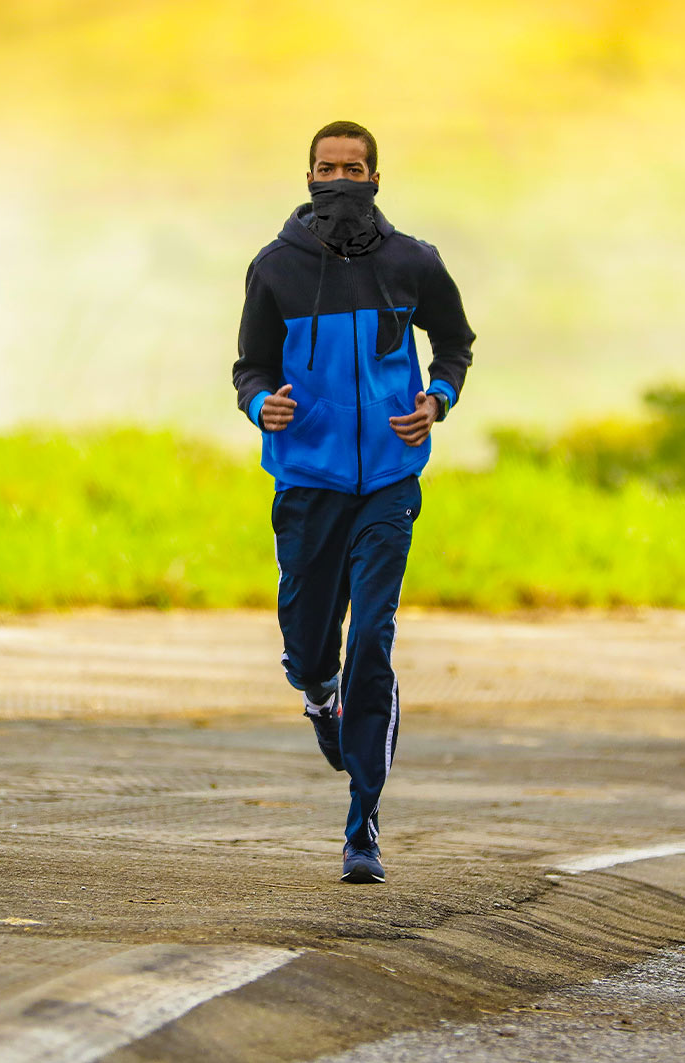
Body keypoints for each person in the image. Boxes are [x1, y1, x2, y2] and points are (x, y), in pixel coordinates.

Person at [231, 119, 476, 884]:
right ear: (307, 176)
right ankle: (317, 691)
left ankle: (363, 821)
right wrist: (259, 403)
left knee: (374, 635)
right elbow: (248, 367)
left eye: (354, 168)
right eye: (327, 168)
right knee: (312, 647)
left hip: (389, 483)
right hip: (307, 481)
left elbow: (457, 344)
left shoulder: (413, 263)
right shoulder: (274, 269)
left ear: (376, 177)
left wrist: (436, 400)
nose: (341, 179)